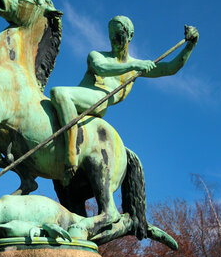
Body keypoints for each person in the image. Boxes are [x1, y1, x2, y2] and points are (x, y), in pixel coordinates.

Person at [50, 16, 199, 183]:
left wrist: (190, 45)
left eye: (118, 32)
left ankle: (71, 154)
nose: (113, 38)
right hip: (82, 96)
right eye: (110, 33)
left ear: (130, 35)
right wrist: (134, 66)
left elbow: (170, 68)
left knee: (59, 93)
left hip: (98, 99)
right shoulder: (98, 55)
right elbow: (101, 68)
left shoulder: (136, 66)